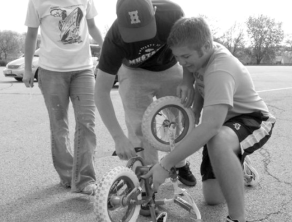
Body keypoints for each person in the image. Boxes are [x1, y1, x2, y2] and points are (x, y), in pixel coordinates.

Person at [142, 17, 276, 222]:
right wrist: (187, 82)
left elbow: (211, 126)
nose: (181, 62)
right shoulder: (202, 51)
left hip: (253, 119)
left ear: (206, 46)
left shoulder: (220, 70)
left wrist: (165, 164)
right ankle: (238, 163)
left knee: (218, 138)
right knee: (213, 198)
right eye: (177, 57)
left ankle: (238, 218)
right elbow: (190, 67)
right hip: (225, 123)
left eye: (185, 56)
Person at [94, 0, 196, 187]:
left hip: (169, 66)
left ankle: (178, 163)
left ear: (154, 10)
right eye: (133, 33)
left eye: (144, 29)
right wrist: (118, 137)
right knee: (139, 126)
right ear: (119, 21)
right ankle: (146, 179)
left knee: (178, 118)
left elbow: (188, 47)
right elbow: (100, 91)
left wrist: (188, 80)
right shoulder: (114, 38)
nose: (141, 39)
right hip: (134, 72)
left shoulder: (172, 13)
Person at [23, 0, 103, 195]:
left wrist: (109, 51)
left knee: (87, 123)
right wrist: (27, 69)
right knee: (60, 126)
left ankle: (84, 180)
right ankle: (68, 176)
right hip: (51, 71)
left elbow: (92, 26)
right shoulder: (37, 2)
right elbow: (32, 35)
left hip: (83, 69)